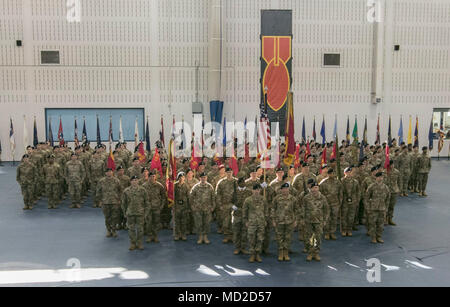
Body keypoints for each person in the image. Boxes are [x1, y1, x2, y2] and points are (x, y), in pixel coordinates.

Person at [121, 176, 149, 250]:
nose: (134, 181)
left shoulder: (143, 190)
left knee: (140, 229)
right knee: (131, 229)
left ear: (138, 181)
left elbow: (147, 202)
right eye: (133, 180)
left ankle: (139, 243)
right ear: (130, 182)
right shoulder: (126, 191)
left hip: (140, 213)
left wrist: (145, 213)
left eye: (136, 180)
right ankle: (133, 243)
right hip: (130, 213)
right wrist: (125, 213)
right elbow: (123, 203)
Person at [243, 184, 268, 263]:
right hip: (251, 222)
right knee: (251, 238)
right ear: (252, 190)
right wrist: (246, 221)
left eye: (258, 190)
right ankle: (252, 254)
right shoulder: (248, 200)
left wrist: (265, 220)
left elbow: (266, 210)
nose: (257, 191)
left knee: (260, 238)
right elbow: (245, 211)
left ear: (260, 190)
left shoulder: (263, 199)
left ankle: (257, 254)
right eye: (255, 190)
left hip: (261, 222)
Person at [271, 183, 297, 261]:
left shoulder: (293, 199)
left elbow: (296, 210)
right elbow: (273, 209)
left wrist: (296, 220)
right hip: (279, 221)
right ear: (281, 190)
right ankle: (280, 252)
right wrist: (273, 220)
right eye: (284, 189)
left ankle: (286, 252)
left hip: (290, 221)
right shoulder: (276, 198)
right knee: (279, 237)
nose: (286, 190)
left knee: (288, 237)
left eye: (287, 189)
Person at [303, 182, 328, 261]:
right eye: (313, 188)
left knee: (318, 237)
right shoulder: (306, 198)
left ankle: (316, 253)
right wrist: (302, 219)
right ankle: (310, 253)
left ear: (318, 188)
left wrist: (325, 220)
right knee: (309, 237)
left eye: (316, 187)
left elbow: (326, 209)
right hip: (309, 220)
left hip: (319, 220)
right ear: (311, 188)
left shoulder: (322, 197)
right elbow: (303, 209)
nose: (315, 189)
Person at [190, 172, 215, 244]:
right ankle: (200, 237)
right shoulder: (196, 187)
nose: (203, 179)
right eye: (202, 177)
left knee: (206, 223)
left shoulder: (210, 186)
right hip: (198, 208)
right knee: (199, 223)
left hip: (207, 208)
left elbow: (213, 197)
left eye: (205, 177)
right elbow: (191, 197)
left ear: (206, 178)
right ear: (199, 178)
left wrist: (213, 206)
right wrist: (193, 207)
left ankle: (205, 237)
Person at [96, 168, 122, 238]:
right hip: (105, 202)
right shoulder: (102, 181)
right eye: (107, 172)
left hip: (114, 201)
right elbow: (98, 191)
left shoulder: (116, 181)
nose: (109, 173)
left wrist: (119, 199)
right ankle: (108, 230)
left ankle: (113, 230)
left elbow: (120, 190)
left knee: (114, 217)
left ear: (112, 172)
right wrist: (100, 201)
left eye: (110, 172)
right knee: (107, 217)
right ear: (105, 173)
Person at [365, 172, 390, 244]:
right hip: (373, 208)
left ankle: (379, 236)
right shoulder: (371, 186)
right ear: (376, 178)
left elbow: (388, 198)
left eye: (381, 177)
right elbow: (366, 198)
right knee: (372, 223)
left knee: (380, 224)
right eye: (379, 177)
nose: (380, 178)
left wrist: (386, 208)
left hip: (382, 208)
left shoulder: (385, 187)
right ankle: (373, 237)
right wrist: (368, 208)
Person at [142, 170, 167, 243]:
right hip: (148, 208)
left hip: (157, 207)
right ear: (148, 177)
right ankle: (149, 236)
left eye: (153, 176)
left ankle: (155, 236)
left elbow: (163, 196)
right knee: (148, 223)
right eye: (151, 176)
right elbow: (142, 197)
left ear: (155, 177)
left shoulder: (159, 185)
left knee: (156, 223)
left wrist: (161, 206)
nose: (152, 178)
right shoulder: (144, 186)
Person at [319, 168, 343, 240]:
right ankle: (327, 233)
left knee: (334, 218)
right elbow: (320, 193)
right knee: (327, 218)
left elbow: (340, 192)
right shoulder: (323, 182)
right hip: (327, 204)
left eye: (333, 173)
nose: (332, 175)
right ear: (328, 174)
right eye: (330, 173)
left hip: (335, 203)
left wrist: (340, 202)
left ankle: (332, 232)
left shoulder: (337, 182)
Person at [215, 167, 238, 243]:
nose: (229, 173)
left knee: (234, 222)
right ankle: (227, 236)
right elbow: (218, 194)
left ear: (232, 172)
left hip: (234, 205)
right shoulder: (221, 182)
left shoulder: (236, 181)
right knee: (225, 222)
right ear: (225, 173)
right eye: (228, 172)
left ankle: (233, 237)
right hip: (225, 205)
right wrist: (220, 205)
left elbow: (241, 193)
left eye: (230, 172)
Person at [233, 176, 252, 255]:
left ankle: (243, 247)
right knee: (237, 231)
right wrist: (232, 206)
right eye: (241, 182)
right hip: (237, 214)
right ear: (238, 183)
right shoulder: (234, 192)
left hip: (245, 214)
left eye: (244, 182)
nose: (243, 183)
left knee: (244, 231)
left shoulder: (249, 192)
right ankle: (237, 247)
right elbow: (229, 201)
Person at [341, 167, 360, 236]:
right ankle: (344, 230)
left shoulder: (355, 182)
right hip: (344, 201)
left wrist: (357, 200)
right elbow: (340, 192)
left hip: (353, 201)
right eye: (347, 172)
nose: (348, 173)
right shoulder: (341, 181)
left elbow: (358, 192)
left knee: (351, 216)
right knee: (344, 216)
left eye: (350, 172)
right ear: (344, 173)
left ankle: (349, 230)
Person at [384, 160, 401, 225]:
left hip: (394, 191)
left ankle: (390, 219)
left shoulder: (396, 172)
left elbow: (399, 180)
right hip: (386, 191)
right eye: (390, 165)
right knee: (386, 206)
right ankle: (385, 219)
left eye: (393, 164)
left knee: (392, 206)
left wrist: (399, 189)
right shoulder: (385, 172)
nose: (392, 166)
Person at [173, 172, 190, 241]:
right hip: (176, 205)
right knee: (177, 221)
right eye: (180, 177)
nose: (181, 179)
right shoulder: (174, 185)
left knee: (183, 221)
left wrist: (188, 206)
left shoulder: (186, 186)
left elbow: (188, 196)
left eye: (182, 177)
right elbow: (172, 196)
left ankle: (183, 234)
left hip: (184, 205)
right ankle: (177, 234)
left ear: (184, 178)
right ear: (178, 178)